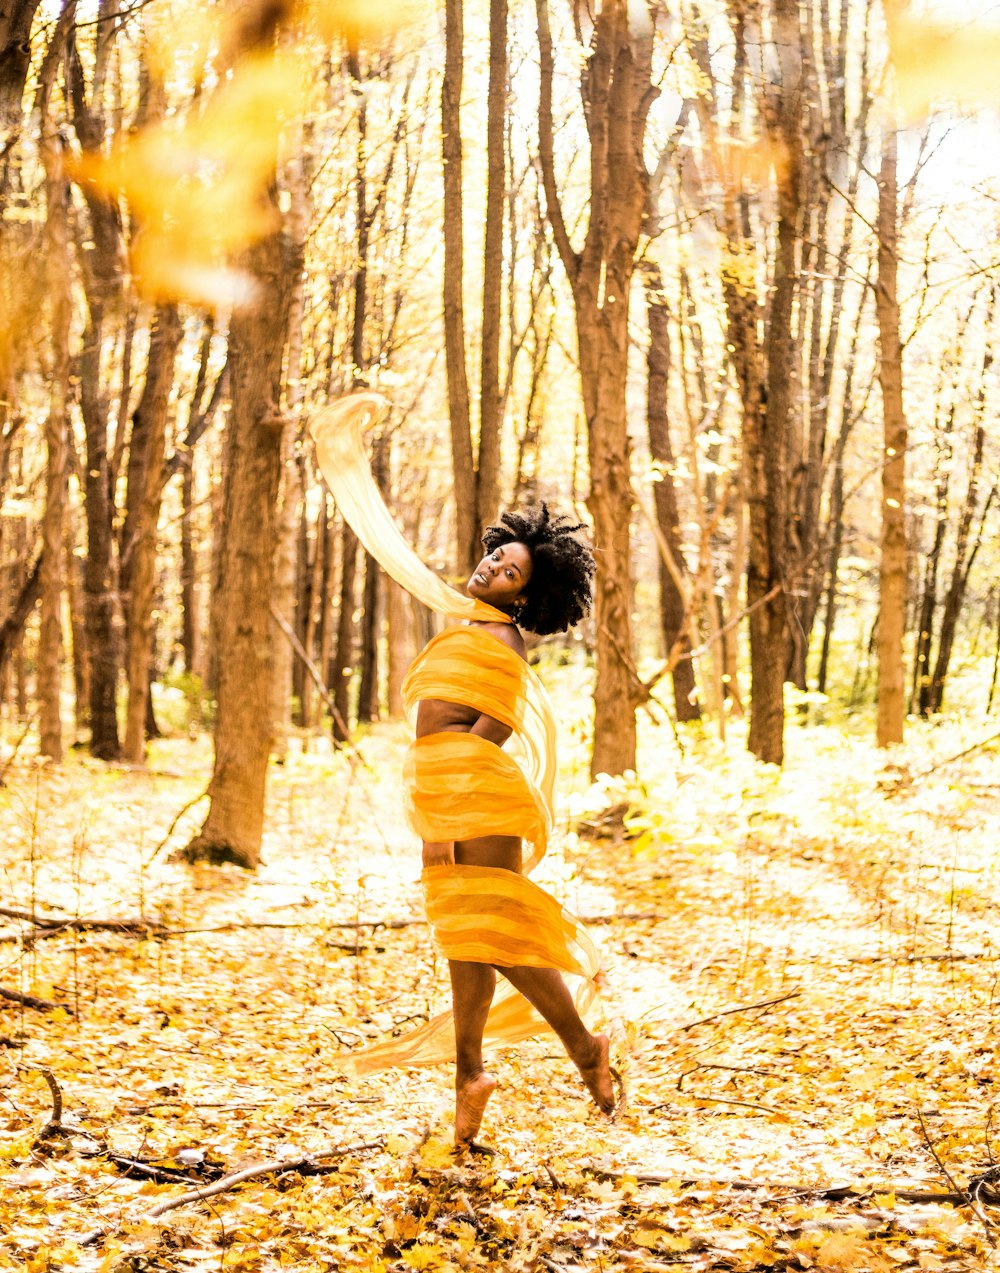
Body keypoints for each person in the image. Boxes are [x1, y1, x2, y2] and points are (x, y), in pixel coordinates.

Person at [310, 394, 623, 1148]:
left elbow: (499, 721)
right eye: (496, 553)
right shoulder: (472, 619)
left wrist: (456, 785)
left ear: (526, 593)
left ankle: (576, 1047)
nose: (493, 564)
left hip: (473, 789)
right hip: (449, 785)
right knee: (468, 931)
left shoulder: (503, 641)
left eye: (509, 568)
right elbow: (398, 558)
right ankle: (472, 1073)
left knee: (496, 932)